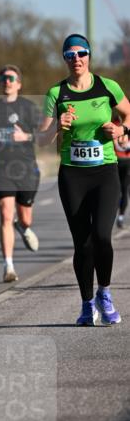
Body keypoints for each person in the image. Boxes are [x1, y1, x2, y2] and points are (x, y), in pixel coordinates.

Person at [38, 33, 130, 325]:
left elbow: (128, 115)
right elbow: (41, 139)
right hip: (73, 174)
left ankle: (105, 294)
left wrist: (121, 130)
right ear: (64, 59)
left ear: (89, 55)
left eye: (81, 53)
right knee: (83, 242)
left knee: (102, 236)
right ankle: (87, 304)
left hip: (104, 171)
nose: (76, 59)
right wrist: (57, 126)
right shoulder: (56, 93)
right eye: (70, 55)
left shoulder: (107, 86)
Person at [0, 64, 42, 282]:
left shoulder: (29, 107)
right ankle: (8, 266)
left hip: (26, 169)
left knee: (25, 218)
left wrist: (26, 137)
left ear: (19, 84)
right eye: (3, 79)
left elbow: (43, 135)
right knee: (6, 214)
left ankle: (23, 227)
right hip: (2, 169)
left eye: (10, 78)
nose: (6, 82)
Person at [115, 129, 130, 228]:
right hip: (115, 161)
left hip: (126, 163)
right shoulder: (113, 123)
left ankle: (120, 216)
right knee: (117, 190)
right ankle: (118, 216)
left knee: (124, 190)